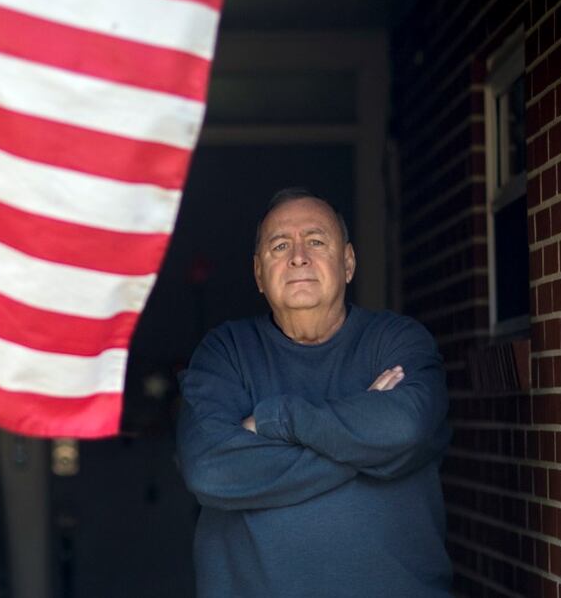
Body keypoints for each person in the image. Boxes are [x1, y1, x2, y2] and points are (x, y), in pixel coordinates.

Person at [176, 188, 453, 597]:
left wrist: (276, 420)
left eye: (317, 241)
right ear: (258, 273)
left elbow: (405, 428)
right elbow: (209, 470)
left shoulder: (397, 341)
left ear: (348, 262)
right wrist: (366, 444)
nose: (298, 256)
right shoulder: (225, 352)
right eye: (280, 245)